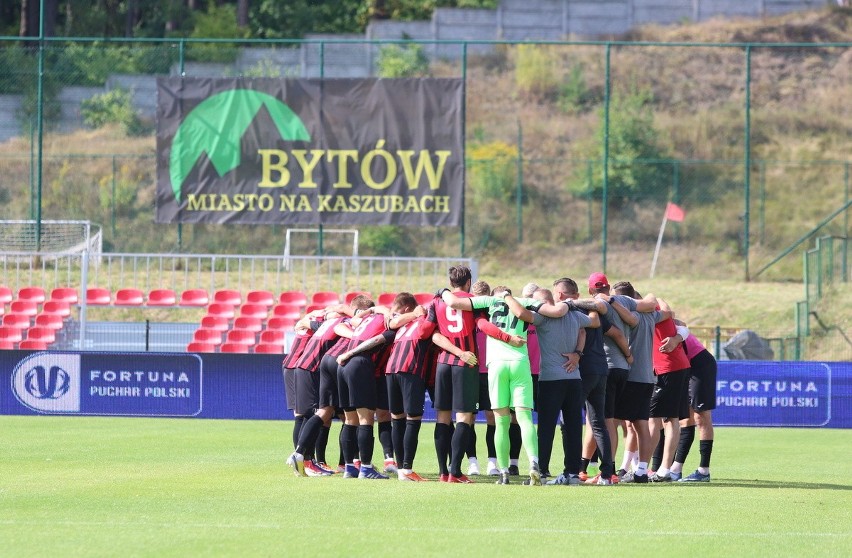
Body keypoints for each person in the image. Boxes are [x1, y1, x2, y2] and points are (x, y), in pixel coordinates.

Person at [441, 286, 570, 486]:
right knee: (524, 418)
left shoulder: (488, 302)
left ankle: (503, 473)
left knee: (500, 421)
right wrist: (570, 303)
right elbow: (556, 311)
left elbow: (453, 302)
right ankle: (534, 464)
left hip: (496, 365)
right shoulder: (523, 302)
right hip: (520, 362)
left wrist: (443, 290)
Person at [335, 296, 423, 480]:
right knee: (365, 419)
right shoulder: (389, 323)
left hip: (343, 366)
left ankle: (349, 467)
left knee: (350, 420)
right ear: (407, 310)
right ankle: (366, 468)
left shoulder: (372, 317)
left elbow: (355, 319)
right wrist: (351, 353)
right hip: (358, 362)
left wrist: (373, 310)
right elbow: (376, 340)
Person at [286, 296, 371, 477]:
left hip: (309, 367)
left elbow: (306, 323)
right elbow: (344, 322)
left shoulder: (330, 320)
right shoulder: (342, 322)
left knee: (324, 413)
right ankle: (303, 458)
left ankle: (313, 461)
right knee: (311, 414)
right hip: (311, 368)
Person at [528, 287, 600, 486]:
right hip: (573, 378)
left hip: (551, 380)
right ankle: (572, 474)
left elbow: (522, 313)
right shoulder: (575, 315)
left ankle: (541, 472)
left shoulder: (541, 318)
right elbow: (595, 320)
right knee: (573, 427)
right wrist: (588, 304)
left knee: (546, 428)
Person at [552, 277, 620, 485]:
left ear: (561, 295)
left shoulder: (569, 310)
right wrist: (627, 355)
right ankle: (607, 474)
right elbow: (615, 332)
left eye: (555, 294)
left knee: (568, 421)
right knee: (598, 422)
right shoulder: (592, 310)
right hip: (601, 369)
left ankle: (570, 472)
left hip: (582, 371)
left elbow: (581, 331)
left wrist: (578, 353)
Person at [426, 265, 481, 483]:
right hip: (465, 365)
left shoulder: (436, 302)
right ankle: (455, 472)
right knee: (465, 417)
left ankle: (442, 472)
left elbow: (431, 334)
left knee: (443, 417)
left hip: (442, 363)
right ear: (468, 281)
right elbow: (484, 325)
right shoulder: (473, 301)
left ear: (450, 282)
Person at [671, 326, 716, 482]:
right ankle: (676, 469)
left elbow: (680, 323)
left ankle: (704, 471)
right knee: (685, 418)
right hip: (685, 368)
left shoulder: (661, 319)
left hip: (700, 366)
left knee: (701, 416)